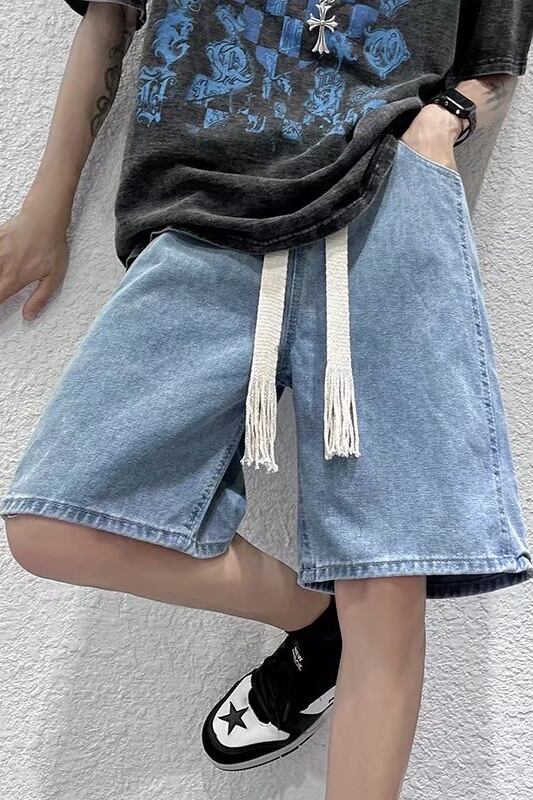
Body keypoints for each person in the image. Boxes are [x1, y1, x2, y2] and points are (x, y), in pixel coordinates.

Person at [1, 1, 532, 797]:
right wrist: (48, 206)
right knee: (50, 529)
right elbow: (110, 16)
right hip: (199, 210)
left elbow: (494, 58)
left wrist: (437, 127)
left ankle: (339, 633)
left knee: (386, 574)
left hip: (385, 197)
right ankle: (316, 625)